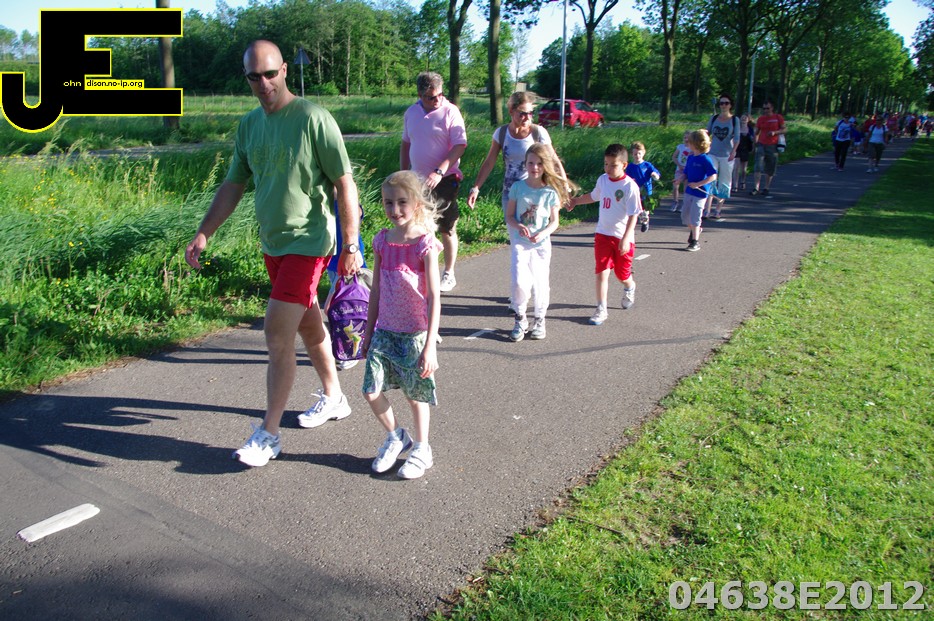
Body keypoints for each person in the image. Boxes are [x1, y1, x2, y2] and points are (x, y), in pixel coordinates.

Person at [184, 40, 361, 468]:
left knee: (277, 334)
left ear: (283, 70)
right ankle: (335, 397)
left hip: (309, 243)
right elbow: (233, 184)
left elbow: (345, 183)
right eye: (254, 77)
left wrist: (351, 243)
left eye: (269, 74)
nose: (263, 84)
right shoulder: (249, 126)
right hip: (273, 244)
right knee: (308, 325)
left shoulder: (313, 119)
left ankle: (269, 434)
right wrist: (205, 231)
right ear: (246, 78)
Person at [363, 171, 442, 480]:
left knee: (414, 395)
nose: (394, 209)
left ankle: (422, 448)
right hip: (384, 331)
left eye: (401, 202)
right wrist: (368, 332)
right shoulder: (382, 241)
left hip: (414, 334)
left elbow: (434, 296)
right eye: (388, 202)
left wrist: (430, 345)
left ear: (417, 203)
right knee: (371, 391)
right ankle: (396, 436)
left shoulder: (424, 244)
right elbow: (376, 291)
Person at [467, 91, 566, 311]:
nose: (527, 117)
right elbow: (489, 161)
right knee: (518, 245)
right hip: (511, 196)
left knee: (536, 243)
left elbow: (553, 160)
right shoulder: (502, 133)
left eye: (530, 113)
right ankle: (520, 292)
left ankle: (532, 289)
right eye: (522, 113)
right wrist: (476, 187)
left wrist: (563, 186)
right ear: (511, 111)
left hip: (537, 197)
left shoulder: (538, 133)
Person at [401, 71, 467, 293]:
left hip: (445, 179)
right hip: (417, 180)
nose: (437, 100)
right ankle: (423, 271)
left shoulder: (450, 111)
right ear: (420, 95)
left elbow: (460, 145)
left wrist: (439, 171)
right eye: (431, 97)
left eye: (440, 94)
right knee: (419, 226)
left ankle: (448, 273)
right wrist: (403, 173)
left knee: (446, 227)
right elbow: (406, 143)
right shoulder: (411, 113)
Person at [504, 143, 575, 342]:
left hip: (541, 244)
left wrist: (543, 233)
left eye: (539, 163)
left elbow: (554, 222)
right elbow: (509, 216)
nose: (534, 167)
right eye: (530, 163)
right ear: (525, 164)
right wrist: (518, 226)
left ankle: (539, 319)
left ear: (545, 166)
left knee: (540, 282)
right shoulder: (518, 187)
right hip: (521, 242)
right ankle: (520, 318)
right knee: (519, 280)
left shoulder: (550, 192)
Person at [568, 144, 641, 326]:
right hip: (603, 234)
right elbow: (594, 196)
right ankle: (601, 308)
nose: (608, 168)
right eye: (606, 164)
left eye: (613, 165)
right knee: (602, 273)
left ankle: (630, 286)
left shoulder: (630, 186)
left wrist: (626, 238)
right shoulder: (603, 180)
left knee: (622, 275)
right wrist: (576, 201)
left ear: (624, 165)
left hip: (622, 238)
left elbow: (634, 214)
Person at [704, 94, 740, 220]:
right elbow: (707, 133)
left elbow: (737, 138)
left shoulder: (734, 120)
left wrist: (733, 152)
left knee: (724, 182)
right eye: (721, 103)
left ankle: (718, 209)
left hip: (727, 155)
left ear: (730, 105)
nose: (723, 105)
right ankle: (707, 210)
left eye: (726, 103)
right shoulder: (714, 118)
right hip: (713, 153)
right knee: (710, 179)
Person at [682, 129, 718, 252]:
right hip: (689, 191)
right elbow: (686, 172)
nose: (687, 142)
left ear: (696, 144)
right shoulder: (690, 157)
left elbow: (713, 176)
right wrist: (679, 179)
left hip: (700, 194)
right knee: (685, 216)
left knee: (695, 217)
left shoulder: (705, 159)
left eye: (690, 141)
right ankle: (695, 230)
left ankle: (695, 241)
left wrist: (698, 184)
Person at [750, 101, 785, 197]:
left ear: (772, 108)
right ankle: (756, 188)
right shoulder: (761, 119)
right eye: (764, 108)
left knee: (770, 166)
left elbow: (784, 129)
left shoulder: (778, 117)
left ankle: (766, 187)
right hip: (761, 144)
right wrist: (754, 145)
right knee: (758, 165)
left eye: (767, 108)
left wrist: (775, 132)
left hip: (773, 145)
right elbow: (756, 132)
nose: (765, 110)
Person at [626, 141, 661, 232]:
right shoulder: (630, 167)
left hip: (646, 191)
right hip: (635, 191)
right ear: (632, 154)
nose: (637, 156)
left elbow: (656, 173)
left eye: (639, 153)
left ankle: (645, 222)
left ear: (643, 153)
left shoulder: (647, 165)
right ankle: (632, 224)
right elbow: (626, 177)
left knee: (645, 209)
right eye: (635, 154)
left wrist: (655, 175)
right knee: (636, 208)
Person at [669, 131, 691, 211]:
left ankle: (684, 204)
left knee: (686, 188)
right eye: (685, 138)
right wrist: (679, 165)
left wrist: (687, 167)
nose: (686, 139)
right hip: (679, 169)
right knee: (675, 185)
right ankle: (675, 201)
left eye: (688, 138)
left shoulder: (693, 149)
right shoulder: (680, 147)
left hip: (688, 170)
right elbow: (674, 157)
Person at [732, 114, 754, 191]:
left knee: (744, 169)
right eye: (742, 118)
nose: (743, 119)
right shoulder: (737, 128)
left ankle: (743, 181)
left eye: (745, 118)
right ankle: (735, 185)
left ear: (748, 120)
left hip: (746, 149)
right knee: (736, 168)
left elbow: (753, 140)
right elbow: (732, 137)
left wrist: (753, 148)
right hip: (737, 149)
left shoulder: (750, 129)